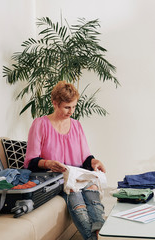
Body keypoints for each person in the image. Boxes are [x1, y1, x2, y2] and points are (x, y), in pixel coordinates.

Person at [24, 80, 106, 240]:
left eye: (74, 106)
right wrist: (47, 163)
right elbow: (30, 161)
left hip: (79, 175)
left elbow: (85, 157)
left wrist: (94, 161)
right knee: (76, 199)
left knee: (93, 194)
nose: (71, 111)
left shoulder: (77, 125)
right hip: (58, 179)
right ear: (55, 103)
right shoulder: (40, 124)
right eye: (67, 107)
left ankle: (101, 235)